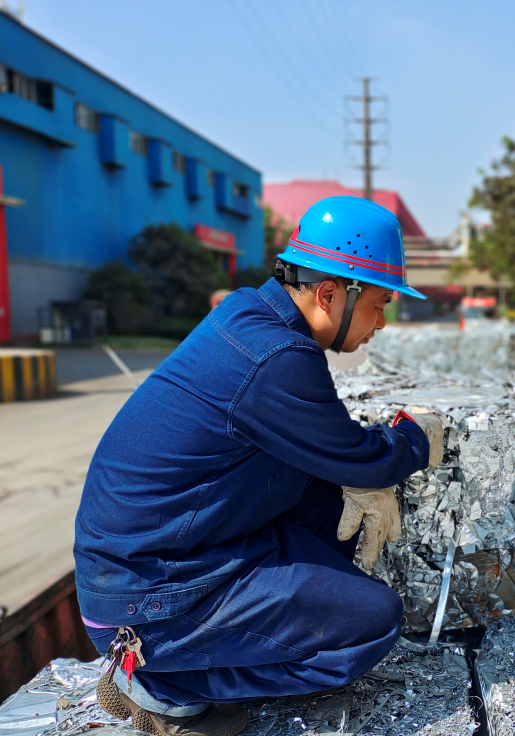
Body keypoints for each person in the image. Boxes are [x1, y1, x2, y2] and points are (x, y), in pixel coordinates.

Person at [74, 196, 445, 736]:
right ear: (329, 294)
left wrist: (362, 471)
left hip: (173, 555)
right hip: (146, 600)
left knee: (338, 522)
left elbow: (327, 451)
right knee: (372, 624)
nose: (382, 323)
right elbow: (363, 459)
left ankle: (198, 652)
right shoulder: (277, 359)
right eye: (379, 305)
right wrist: (413, 436)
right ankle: (162, 684)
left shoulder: (251, 316)